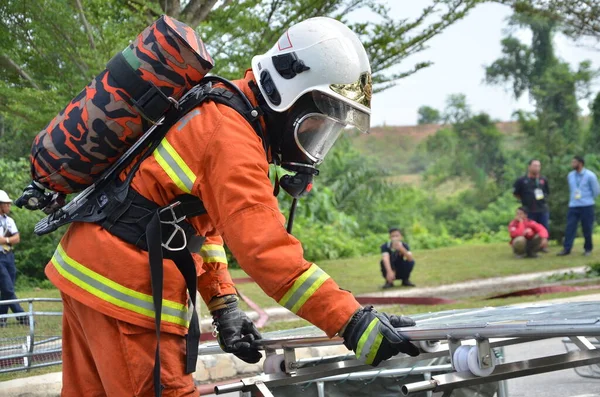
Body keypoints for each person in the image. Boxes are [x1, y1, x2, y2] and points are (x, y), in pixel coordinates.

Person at [39, 18, 419, 396]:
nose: (313, 140)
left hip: (86, 268)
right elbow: (267, 252)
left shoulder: (222, 107)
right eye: (315, 124)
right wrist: (352, 321)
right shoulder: (232, 138)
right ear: (286, 96)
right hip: (123, 290)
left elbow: (197, 225)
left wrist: (224, 305)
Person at [557, 156, 600, 256]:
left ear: (580, 163)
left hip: (587, 205)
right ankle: (567, 248)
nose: (572, 164)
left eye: (574, 162)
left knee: (587, 228)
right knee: (570, 227)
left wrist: (587, 198)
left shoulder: (590, 175)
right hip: (573, 205)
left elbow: (596, 191)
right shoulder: (570, 175)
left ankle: (588, 249)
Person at [0, 190, 26, 327]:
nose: (9, 206)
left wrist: (5, 240)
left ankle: (1, 319)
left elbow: (17, 238)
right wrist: (8, 240)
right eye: (6, 204)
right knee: (8, 289)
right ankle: (23, 318)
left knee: (6, 289)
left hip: (9, 255)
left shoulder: (9, 221)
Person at [513, 159, 550, 235]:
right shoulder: (521, 180)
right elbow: (516, 193)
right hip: (528, 210)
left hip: (542, 209)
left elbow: (547, 192)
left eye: (538, 166)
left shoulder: (543, 180)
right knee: (529, 232)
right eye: (535, 166)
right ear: (529, 167)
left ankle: (543, 246)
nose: (537, 168)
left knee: (544, 230)